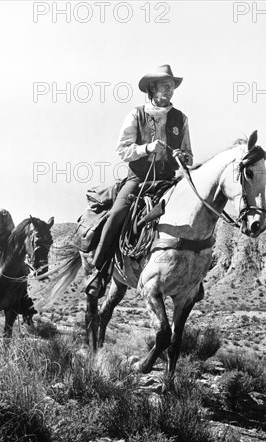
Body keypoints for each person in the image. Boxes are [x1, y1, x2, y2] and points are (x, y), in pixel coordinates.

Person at [87, 64, 193, 297]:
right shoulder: (136, 114)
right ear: (152, 89)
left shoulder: (181, 118)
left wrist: (182, 157)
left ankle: (193, 278)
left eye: (172, 86)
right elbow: (122, 150)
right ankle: (100, 271)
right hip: (138, 179)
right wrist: (147, 148)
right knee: (116, 214)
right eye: (165, 86)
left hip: (168, 181)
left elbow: (189, 154)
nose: (170, 90)